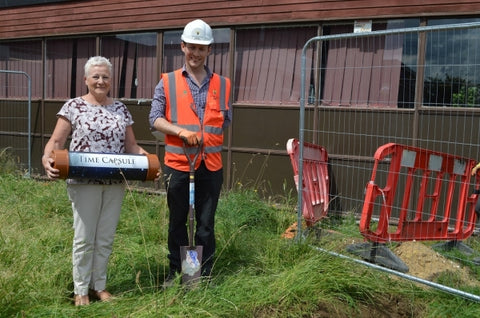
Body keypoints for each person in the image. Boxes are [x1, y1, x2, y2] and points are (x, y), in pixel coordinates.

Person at [42, 56, 151, 306]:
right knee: (84, 236)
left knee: (105, 236)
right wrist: (46, 157)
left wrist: (146, 159)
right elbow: (56, 142)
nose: (101, 81)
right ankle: (80, 288)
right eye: (96, 76)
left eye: (105, 77)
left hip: (114, 183)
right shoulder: (73, 106)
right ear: (86, 80)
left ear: (111, 81)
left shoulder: (121, 109)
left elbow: (131, 145)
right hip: (83, 182)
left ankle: (98, 286)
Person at [149, 19, 232, 283]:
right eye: (191, 47)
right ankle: (179, 271)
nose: (196, 53)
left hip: (211, 166)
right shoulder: (167, 82)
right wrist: (181, 132)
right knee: (178, 223)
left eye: (202, 48)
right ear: (182, 46)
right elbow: (155, 118)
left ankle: (199, 274)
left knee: (205, 224)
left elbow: (225, 120)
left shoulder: (223, 84)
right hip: (178, 164)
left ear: (209, 51)